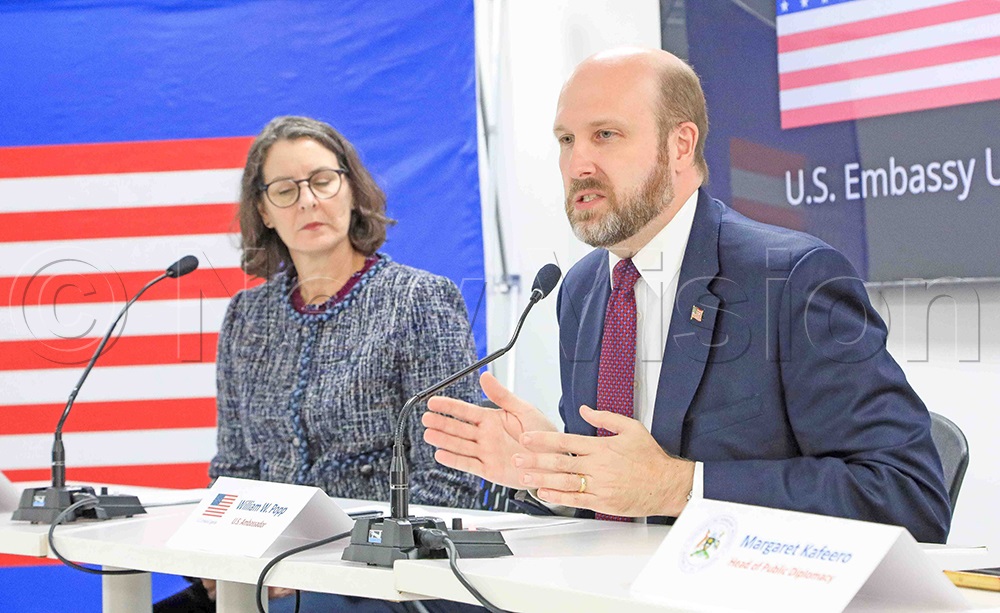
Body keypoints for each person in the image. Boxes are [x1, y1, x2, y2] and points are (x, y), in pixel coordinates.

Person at [422, 48, 952, 543]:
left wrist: (680, 487)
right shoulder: (581, 289)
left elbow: (909, 498)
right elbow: (611, 509)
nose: (577, 164)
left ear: (680, 145)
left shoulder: (790, 279)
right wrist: (547, 470)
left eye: (605, 134)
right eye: (565, 140)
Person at [156, 115, 483, 612]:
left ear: (352, 190)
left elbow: (451, 475)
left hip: (380, 577)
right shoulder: (247, 316)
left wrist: (327, 564)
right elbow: (234, 468)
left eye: (322, 181)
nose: (308, 200)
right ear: (264, 212)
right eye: (285, 190)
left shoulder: (420, 299)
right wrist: (225, 555)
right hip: (267, 568)